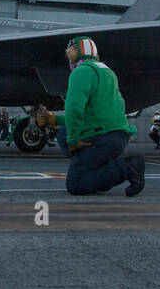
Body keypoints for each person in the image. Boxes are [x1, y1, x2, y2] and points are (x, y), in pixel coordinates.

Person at [59, 36, 144, 196]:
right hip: (117, 137)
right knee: (63, 129)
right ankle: (102, 174)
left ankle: (127, 168)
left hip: (103, 139)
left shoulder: (81, 72)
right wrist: (53, 120)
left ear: (76, 53)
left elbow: (74, 110)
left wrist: (73, 141)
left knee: (75, 184)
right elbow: (92, 114)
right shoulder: (107, 71)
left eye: (70, 53)